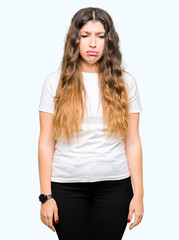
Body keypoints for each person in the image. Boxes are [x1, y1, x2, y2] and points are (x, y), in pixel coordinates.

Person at [38, 7, 144, 240]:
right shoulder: (54, 82)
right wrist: (46, 196)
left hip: (115, 187)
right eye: (85, 36)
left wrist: (139, 195)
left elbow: (133, 141)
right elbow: (46, 142)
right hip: (66, 187)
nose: (93, 43)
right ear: (75, 40)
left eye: (100, 36)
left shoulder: (126, 82)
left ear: (109, 40)